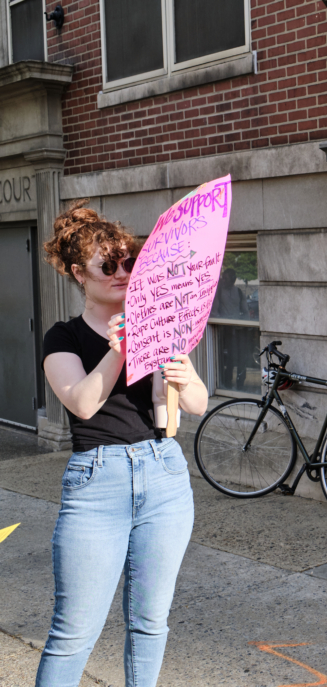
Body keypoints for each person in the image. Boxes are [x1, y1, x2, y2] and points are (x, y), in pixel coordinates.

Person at [36, 201, 209, 687]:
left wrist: (184, 375)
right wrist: (118, 351)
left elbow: (197, 403)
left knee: (151, 623)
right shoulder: (64, 336)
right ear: (79, 274)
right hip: (97, 483)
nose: (122, 273)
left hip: (164, 474)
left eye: (128, 261)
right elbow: (81, 404)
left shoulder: (159, 324)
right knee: (74, 632)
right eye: (107, 266)